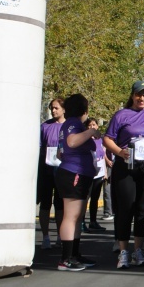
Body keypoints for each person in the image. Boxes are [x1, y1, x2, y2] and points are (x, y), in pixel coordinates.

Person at [102, 80, 144, 269]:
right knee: (125, 210)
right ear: (132, 95)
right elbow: (107, 139)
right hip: (126, 167)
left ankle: (138, 250)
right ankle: (123, 252)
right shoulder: (121, 115)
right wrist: (120, 152)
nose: (142, 98)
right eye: (138, 94)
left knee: (143, 211)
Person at [55, 94, 102, 271]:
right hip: (73, 173)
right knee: (71, 216)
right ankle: (65, 258)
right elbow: (72, 142)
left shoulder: (71, 124)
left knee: (77, 217)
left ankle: (74, 254)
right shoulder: (73, 123)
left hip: (80, 173)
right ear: (83, 109)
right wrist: (91, 132)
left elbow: (62, 150)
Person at [38, 98, 65, 250]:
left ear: (63, 109)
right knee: (45, 203)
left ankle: (61, 235)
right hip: (47, 170)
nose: (54, 110)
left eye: (56, 108)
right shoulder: (45, 126)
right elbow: (40, 147)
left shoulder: (69, 126)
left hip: (62, 170)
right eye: (52, 108)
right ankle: (46, 236)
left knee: (60, 205)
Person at [83, 118, 107, 232]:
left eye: (94, 124)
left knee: (95, 198)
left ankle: (93, 221)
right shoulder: (85, 140)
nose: (92, 126)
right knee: (86, 198)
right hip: (88, 172)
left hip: (99, 172)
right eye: (89, 125)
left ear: (97, 126)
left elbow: (103, 155)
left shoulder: (100, 140)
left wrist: (105, 172)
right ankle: (81, 222)